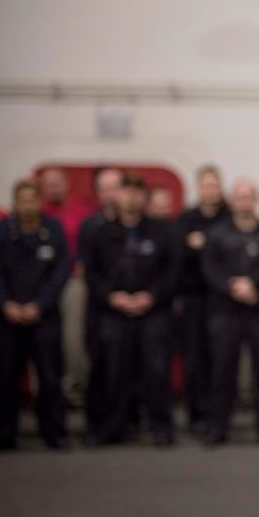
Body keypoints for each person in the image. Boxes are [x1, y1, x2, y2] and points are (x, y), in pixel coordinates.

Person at [83, 173, 180, 445]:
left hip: (153, 311)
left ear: (143, 198)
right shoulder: (102, 232)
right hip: (114, 311)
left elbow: (171, 271)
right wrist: (112, 297)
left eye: (137, 193)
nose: (131, 198)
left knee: (157, 370)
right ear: (118, 196)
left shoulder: (162, 232)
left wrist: (152, 296)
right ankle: (114, 425)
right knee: (115, 370)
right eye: (126, 192)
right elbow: (92, 273)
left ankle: (161, 426)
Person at [201, 179, 259, 445]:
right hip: (225, 312)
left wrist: (254, 284)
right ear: (231, 199)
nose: (245, 201)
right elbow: (209, 268)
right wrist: (232, 286)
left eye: (249, 196)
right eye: (240, 196)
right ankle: (217, 427)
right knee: (222, 372)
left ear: (256, 200)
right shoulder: (217, 235)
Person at [0, 180, 70, 449]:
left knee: (50, 377)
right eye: (22, 200)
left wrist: (41, 304)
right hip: (7, 318)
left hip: (44, 317)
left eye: (32, 199)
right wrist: (5, 304)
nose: (28, 204)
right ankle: (4, 435)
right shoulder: (1, 231)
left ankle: (55, 433)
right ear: (15, 203)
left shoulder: (53, 230)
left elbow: (62, 270)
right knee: (5, 377)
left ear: (39, 202)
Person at [176, 165, 230, 434]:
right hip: (194, 297)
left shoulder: (229, 217)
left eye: (214, 185)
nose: (210, 190)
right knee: (194, 357)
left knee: (219, 359)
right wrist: (189, 246)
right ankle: (196, 414)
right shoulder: (186, 218)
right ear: (199, 189)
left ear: (221, 188)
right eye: (205, 186)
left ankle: (218, 415)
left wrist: (205, 243)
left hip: (221, 297)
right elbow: (175, 255)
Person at [78, 167, 124, 442]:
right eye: (104, 188)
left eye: (114, 187)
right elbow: (89, 270)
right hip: (99, 306)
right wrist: (109, 295)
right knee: (97, 366)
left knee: (124, 369)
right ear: (98, 192)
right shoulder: (90, 227)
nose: (110, 193)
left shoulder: (133, 226)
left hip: (128, 310)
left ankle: (122, 423)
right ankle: (94, 425)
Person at [39, 167, 92, 408]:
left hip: (72, 281)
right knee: (42, 340)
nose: (53, 188)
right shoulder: (36, 214)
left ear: (66, 184)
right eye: (48, 184)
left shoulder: (81, 213)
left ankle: (75, 389)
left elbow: (90, 247)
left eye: (57, 183)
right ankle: (44, 392)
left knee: (73, 339)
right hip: (40, 285)